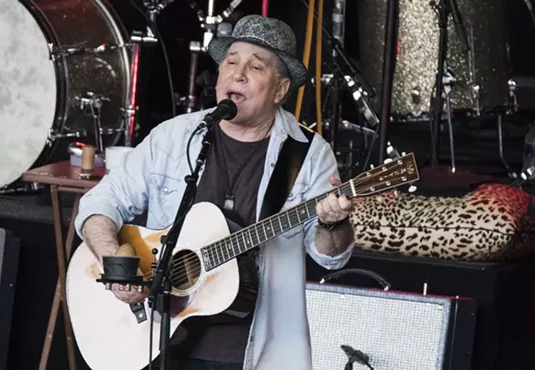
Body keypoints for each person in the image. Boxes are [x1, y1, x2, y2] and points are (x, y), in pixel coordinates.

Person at [74, 14, 356, 370]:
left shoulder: (308, 154)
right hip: (155, 339)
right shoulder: (176, 136)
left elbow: (330, 256)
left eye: (255, 67)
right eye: (231, 62)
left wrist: (333, 224)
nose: (237, 74)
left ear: (281, 90)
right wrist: (116, 265)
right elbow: (100, 203)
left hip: (248, 347)